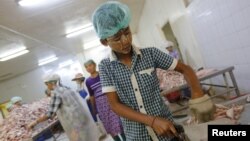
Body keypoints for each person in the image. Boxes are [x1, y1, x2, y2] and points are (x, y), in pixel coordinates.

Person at [92, 1, 215, 141]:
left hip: (168, 130)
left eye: (127, 32)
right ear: (104, 42)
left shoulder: (150, 54)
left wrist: (197, 94)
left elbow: (185, 69)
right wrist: (152, 121)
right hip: (137, 136)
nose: (125, 41)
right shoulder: (106, 67)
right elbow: (115, 105)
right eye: (117, 38)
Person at [28, 74, 98, 141]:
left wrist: (35, 122)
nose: (47, 86)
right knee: (87, 137)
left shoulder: (56, 93)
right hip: (81, 117)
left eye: (47, 84)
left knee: (79, 139)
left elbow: (50, 113)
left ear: (52, 83)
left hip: (73, 122)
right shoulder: (67, 88)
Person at [84, 59, 126, 141]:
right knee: (108, 125)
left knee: (118, 123)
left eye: (90, 65)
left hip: (110, 101)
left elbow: (112, 86)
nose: (88, 68)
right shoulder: (88, 81)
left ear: (94, 65)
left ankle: (125, 139)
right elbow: (92, 96)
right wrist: (94, 109)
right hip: (101, 106)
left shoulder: (102, 74)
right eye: (86, 67)